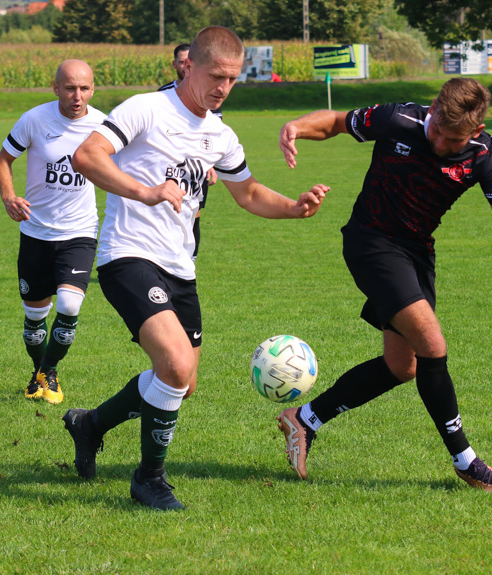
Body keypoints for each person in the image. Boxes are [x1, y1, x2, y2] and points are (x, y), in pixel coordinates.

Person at [62, 26, 329, 511]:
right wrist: (145, 191)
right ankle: (149, 479)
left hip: (180, 267)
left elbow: (247, 192)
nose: (223, 87)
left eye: (232, 79)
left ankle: (90, 425)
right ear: (190, 66)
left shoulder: (220, 134)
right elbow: (87, 155)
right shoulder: (146, 109)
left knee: (181, 386)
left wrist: (294, 207)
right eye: (216, 75)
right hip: (128, 254)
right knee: (176, 366)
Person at [275, 77, 492, 492]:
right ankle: (465, 460)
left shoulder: (485, 156)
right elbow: (337, 122)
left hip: (416, 255)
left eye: (451, 140)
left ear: (476, 132)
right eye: (436, 130)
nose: (439, 142)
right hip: (370, 242)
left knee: (402, 366)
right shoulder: (400, 119)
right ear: (432, 108)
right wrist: (297, 126)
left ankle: (304, 419)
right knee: (433, 343)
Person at [0, 60, 106, 404]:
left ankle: (49, 372)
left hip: (80, 232)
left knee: (70, 305)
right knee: (35, 315)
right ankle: (38, 373)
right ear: (55, 87)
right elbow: (3, 160)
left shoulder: (103, 125)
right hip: (36, 233)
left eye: (84, 88)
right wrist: (9, 196)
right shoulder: (34, 119)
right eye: (70, 88)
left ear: (92, 89)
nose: (77, 96)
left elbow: (135, 159)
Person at [158, 42, 218, 262]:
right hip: (167, 166)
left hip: (196, 165)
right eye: (181, 61)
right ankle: (163, 259)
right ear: (175, 64)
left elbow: (214, 134)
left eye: (188, 62)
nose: (185, 66)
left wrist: (210, 162)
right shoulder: (162, 94)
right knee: (167, 212)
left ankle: (189, 261)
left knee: (194, 214)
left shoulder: (210, 94)